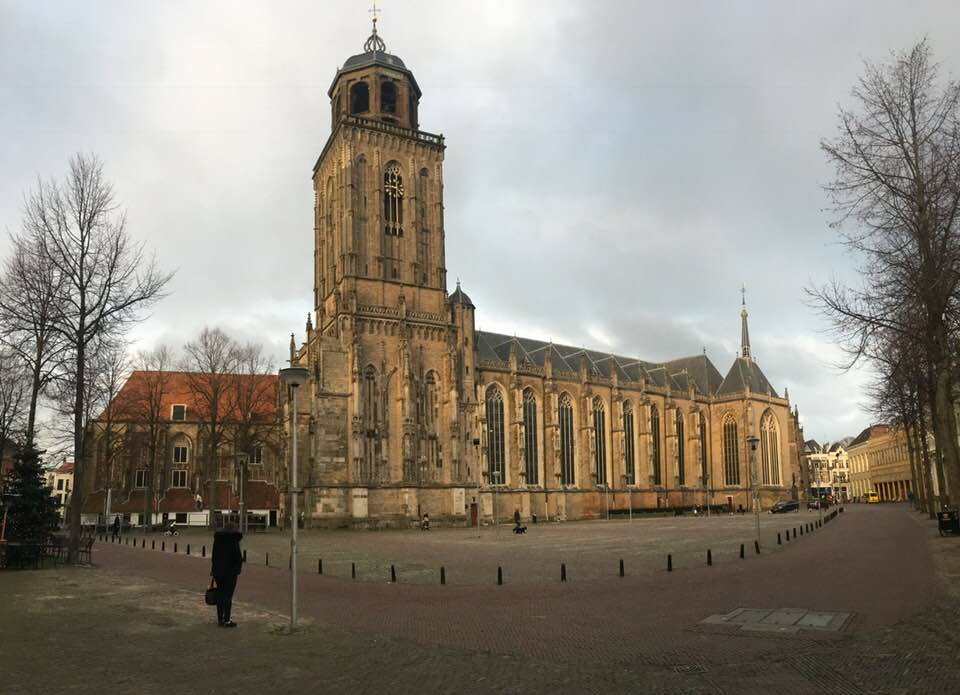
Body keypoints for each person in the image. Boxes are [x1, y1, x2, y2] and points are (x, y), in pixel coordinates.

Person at [210, 523, 243, 627]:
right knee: (228, 596)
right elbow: (237, 557)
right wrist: (237, 570)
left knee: (220, 595)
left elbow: (214, 556)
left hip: (218, 572)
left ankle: (220, 619)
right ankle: (227, 620)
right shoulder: (233, 540)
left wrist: (213, 570)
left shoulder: (218, 540)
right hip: (230, 573)